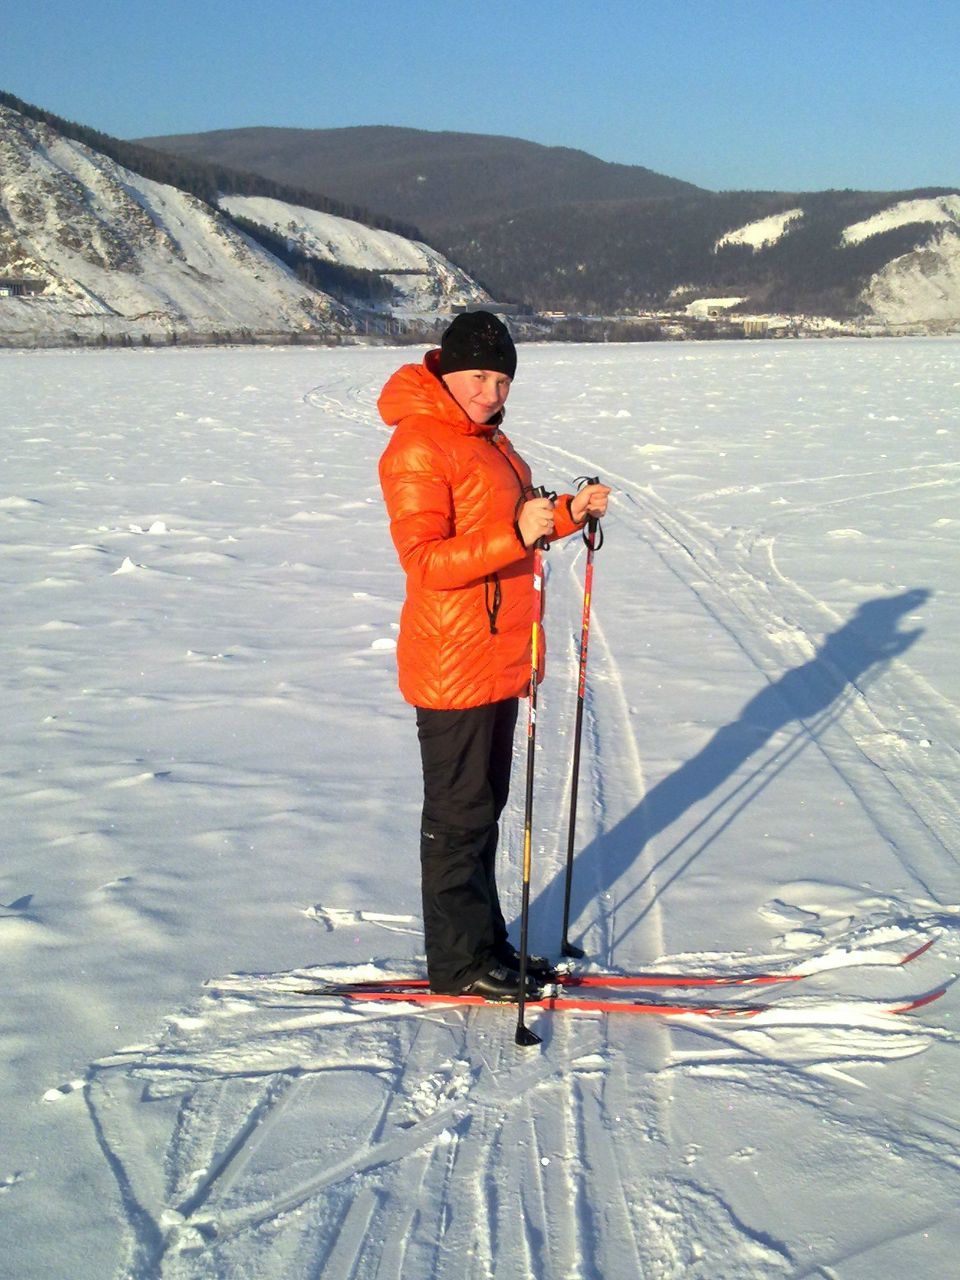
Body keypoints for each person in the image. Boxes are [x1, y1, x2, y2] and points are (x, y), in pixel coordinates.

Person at [377, 311, 609, 1000]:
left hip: (495, 654)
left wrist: (567, 512)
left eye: (502, 378)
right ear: (447, 370)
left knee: (482, 810)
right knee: (458, 820)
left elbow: (517, 525)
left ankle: (484, 945)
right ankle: (459, 964)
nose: (491, 390)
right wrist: (517, 532)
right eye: (480, 375)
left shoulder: (487, 443)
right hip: (453, 660)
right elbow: (425, 561)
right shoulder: (420, 446)